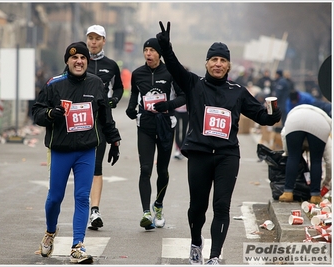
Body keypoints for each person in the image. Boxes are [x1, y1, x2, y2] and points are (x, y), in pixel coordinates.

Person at [156, 21, 282, 265]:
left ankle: (214, 256)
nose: (218, 64)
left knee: (222, 206)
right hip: (200, 153)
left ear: (228, 66)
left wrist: (274, 114)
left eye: (222, 61)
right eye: (213, 60)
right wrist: (166, 47)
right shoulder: (194, 85)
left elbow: (262, 116)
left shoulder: (238, 91)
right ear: (206, 63)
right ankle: (195, 243)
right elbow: (174, 68)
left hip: (227, 156)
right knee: (197, 207)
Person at [32, 41, 121, 264]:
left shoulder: (96, 84)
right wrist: (51, 113)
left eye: (82, 58)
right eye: (74, 58)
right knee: (55, 198)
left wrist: (114, 140)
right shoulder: (54, 84)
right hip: (61, 150)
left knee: (82, 197)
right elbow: (36, 113)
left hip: (86, 150)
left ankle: (77, 246)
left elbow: (105, 116)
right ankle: (50, 232)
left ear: (87, 61)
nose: (79, 61)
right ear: (67, 61)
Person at [125, 37, 186, 230]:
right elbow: (135, 96)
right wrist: (131, 109)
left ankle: (158, 206)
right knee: (145, 169)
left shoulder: (170, 72)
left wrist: (168, 105)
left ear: (159, 53)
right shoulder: (138, 73)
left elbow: (184, 96)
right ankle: (146, 213)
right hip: (145, 126)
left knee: (162, 170)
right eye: (146, 50)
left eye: (152, 50)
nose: (148, 54)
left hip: (166, 125)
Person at [85, 24, 124, 230]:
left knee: (97, 166)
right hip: (80, 122)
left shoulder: (111, 65)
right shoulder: (78, 61)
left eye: (97, 38)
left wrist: (114, 99)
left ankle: (95, 211)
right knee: (79, 166)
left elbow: (118, 87)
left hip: (101, 120)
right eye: (90, 38)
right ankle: (82, 207)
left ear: (103, 41)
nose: (93, 42)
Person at [278, 104, 332, 204]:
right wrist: (326, 183)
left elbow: (283, 135)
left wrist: (287, 152)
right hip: (320, 125)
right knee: (316, 160)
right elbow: (330, 162)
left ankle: (288, 192)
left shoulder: (294, 113)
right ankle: (315, 195)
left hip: (294, 121)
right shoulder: (327, 134)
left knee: (293, 157)